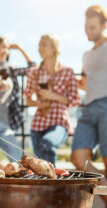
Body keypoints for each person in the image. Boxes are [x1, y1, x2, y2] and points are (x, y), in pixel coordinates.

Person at [70, 5, 107, 208]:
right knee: (78, 159)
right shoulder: (86, 55)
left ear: (104, 25)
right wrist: (71, 80)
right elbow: (86, 83)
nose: (88, 31)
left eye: (93, 27)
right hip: (88, 108)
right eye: (86, 27)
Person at [25, 34, 80, 166]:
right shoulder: (33, 72)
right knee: (39, 165)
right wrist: (36, 103)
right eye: (39, 45)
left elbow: (75, 100)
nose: (40, 48)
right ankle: (51, 182)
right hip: (38, 124)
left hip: (59, 123)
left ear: (55, 48)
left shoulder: (67, 72)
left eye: (44, 44)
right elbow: (27, 99)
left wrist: (53, 96)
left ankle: (53, 179)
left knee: (47, 144)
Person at [0, 36, 35, 161]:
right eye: (3, 47)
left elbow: (32, 69)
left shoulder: (9, 70)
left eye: (8, 48)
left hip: (5, 122)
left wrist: (20, 49)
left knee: (18, 159)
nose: (6, 51)